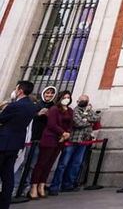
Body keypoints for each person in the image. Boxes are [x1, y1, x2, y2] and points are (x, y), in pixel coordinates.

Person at [50, 94, 101, 193]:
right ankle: (55, 186)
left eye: (86, 100)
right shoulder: (74, 111)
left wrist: (86, 118)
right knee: (63, 164)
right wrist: (89, 121)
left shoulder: (89, 111)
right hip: (72, 140)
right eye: (82, 100)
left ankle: (68, 184)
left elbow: (97, 118)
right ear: (78, 101)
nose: (84, 102)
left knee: (76, 164)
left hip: (83, 140)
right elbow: (78, 123)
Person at [0, 81, 37, 209]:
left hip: (4, 142)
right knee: (8, 175)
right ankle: (4, 203)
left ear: (20, 90)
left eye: (16, 89)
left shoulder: (14, 106)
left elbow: (2, 119)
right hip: (16, 143)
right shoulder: (32, 106)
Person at [30, 90, 73, 199]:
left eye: (68, 97)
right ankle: (33, 187)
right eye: (64, 97)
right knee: (41, 163)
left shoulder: (70, 111)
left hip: (61, 140)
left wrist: (67, 133)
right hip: (50, 138)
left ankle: (42, 185)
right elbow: (51, 124)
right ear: (60, 98)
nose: (66, 99)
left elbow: (70, 124)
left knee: (49, 164)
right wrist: (63, 133)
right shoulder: (54, 109)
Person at [13, 86, 54, 194]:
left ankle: (26, 187)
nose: (49, 95)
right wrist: (38, 114)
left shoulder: (54, 108)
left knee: (33, 165)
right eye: (47, 93)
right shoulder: (36, 105)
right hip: (30, 138)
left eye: (51, 93)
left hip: (43, 140)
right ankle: (15, 187)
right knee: (21, 163)